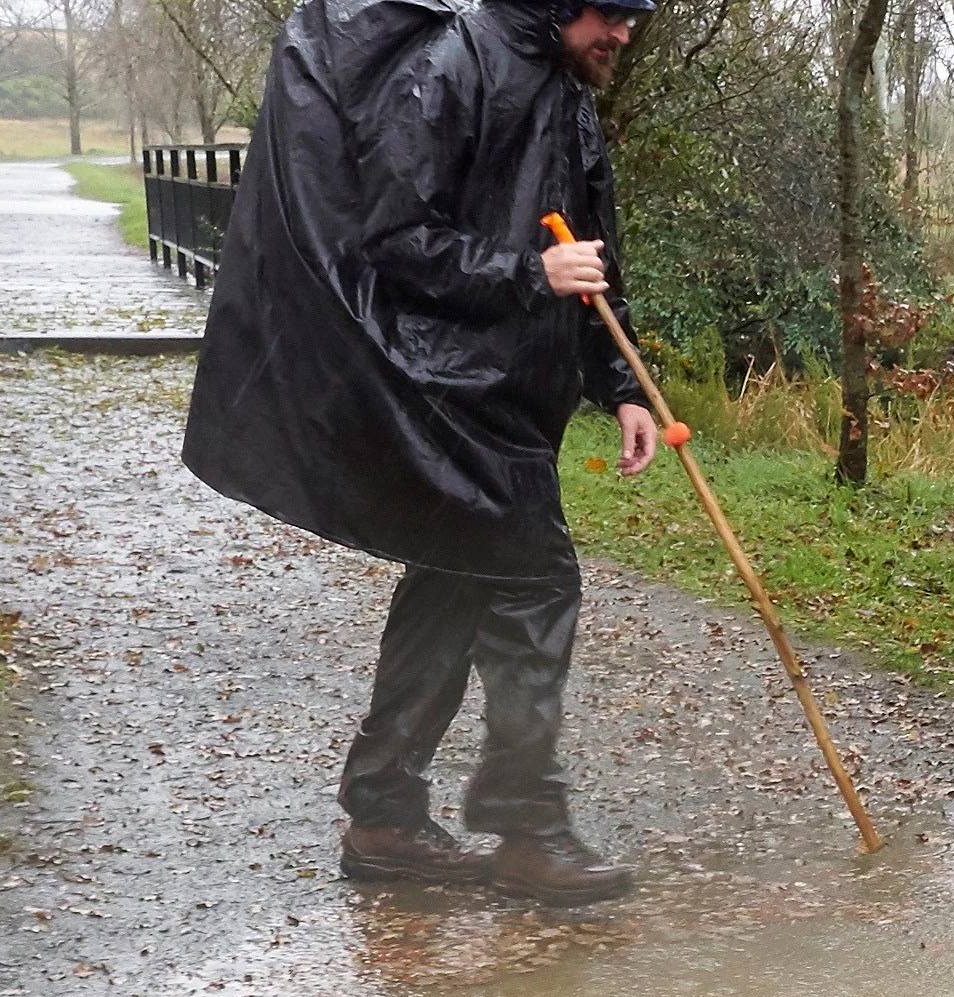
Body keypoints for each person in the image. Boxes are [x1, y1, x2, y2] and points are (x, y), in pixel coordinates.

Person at [183, 0, 662, 905]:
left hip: (512, 395)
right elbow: (396, 241)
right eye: (616, 13)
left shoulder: (568, 93)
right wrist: (529, 274)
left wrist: (624, 386)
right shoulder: (454, 66)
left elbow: (590, 259)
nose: (626, 34)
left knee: (452, 579)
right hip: (443, 388)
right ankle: (528, 827)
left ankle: (383, 818)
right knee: (535, 579)